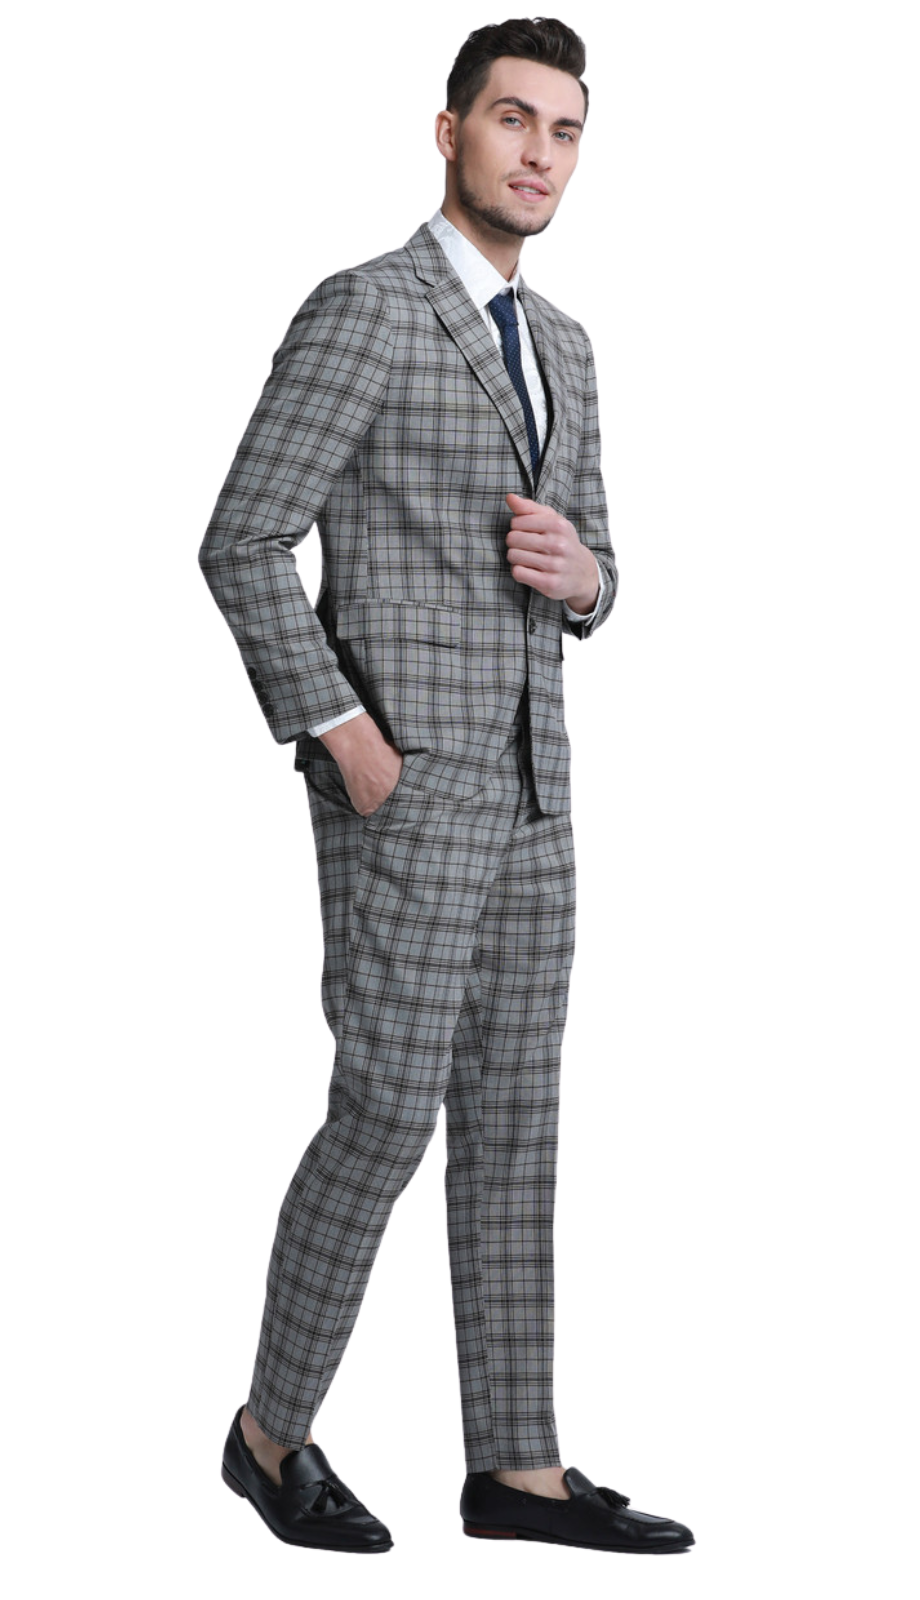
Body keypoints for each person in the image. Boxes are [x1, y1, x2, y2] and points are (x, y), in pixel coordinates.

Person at [199, 15, 694, 1557]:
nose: (540, 153)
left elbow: (595, 567)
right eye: (513, 120)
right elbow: (242, 538)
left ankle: (516, 1469)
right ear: (449, 130)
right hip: (403, 792)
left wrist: (587, 577)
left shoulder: (571, 349)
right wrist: (343, 731)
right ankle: (269, 1437)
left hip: (539, 794)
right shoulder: (368, 309)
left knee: (515, 1119)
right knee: (385, 1112)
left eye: (566, 131)